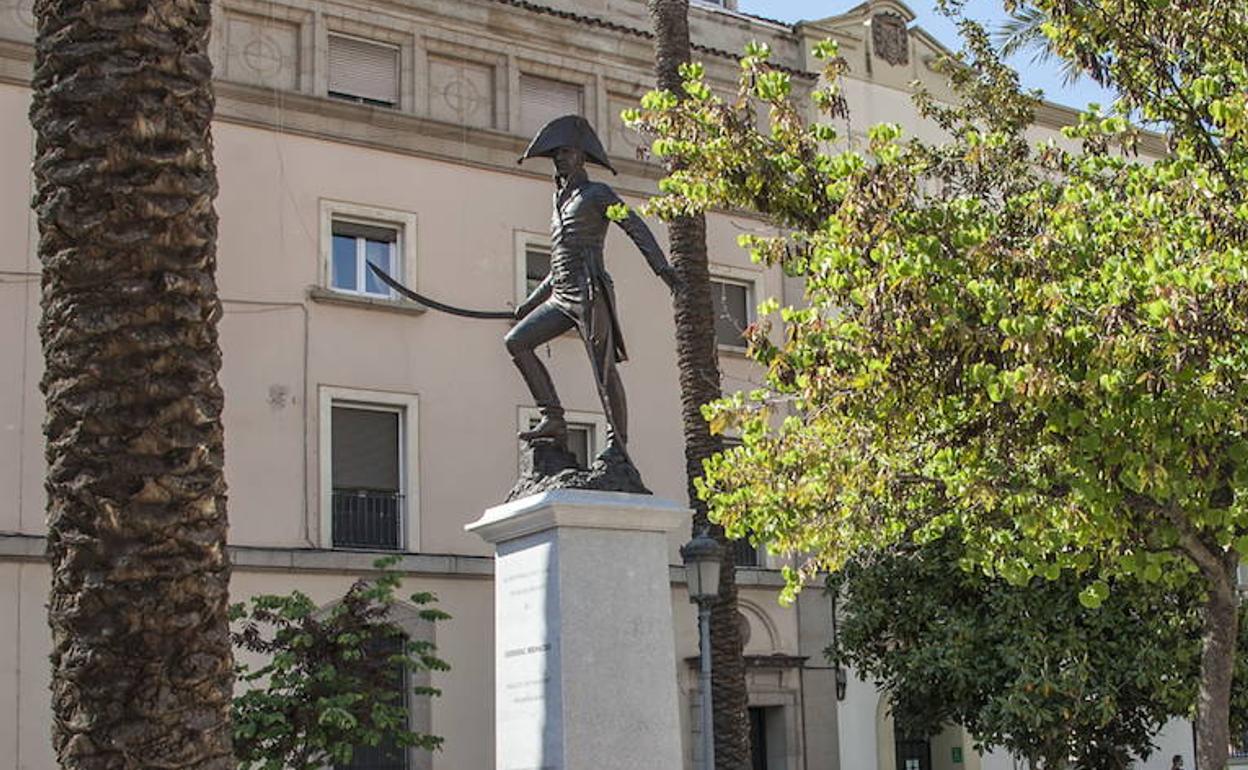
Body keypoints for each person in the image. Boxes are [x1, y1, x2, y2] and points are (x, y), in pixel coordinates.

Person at [509, 114, 678, 452]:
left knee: (603, 371)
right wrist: (529, 304)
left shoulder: (598, 194)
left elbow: (635, 228)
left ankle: (619, 446)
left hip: (589, 292)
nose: (559, 159)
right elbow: (559, 265)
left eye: (566, 152)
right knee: (517, 341)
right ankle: (552, 416)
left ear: (581, 156)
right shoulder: (558, 203)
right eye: (556, 154)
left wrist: (663, 269)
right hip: (561, 296)